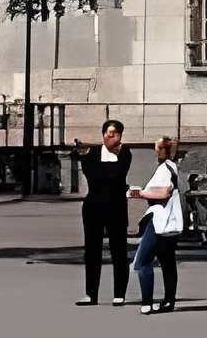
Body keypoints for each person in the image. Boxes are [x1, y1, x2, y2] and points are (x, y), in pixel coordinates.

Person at [76, 120, 132, 308]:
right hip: (93, 207)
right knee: (92, 251)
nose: (112, 137)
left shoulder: (125, 153)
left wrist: (106, 171)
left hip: (116, 207)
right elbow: (93, 176)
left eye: (116, 133)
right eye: (109, 133)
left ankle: (119, 294)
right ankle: (91, 294)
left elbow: (116, 174)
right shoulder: (91, 154)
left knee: (119, 251)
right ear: (103, 135)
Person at [129, 135, 183, 315]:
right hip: (171, 223)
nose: (155, 151)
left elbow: (164, 193)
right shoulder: (172, 167)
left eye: (158, 148)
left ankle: (146, 302)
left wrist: (140, 194)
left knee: (142, 261)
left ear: (166, 151)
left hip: (159, 221)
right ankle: (169, 301)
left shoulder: (165, 168)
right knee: (167, 262)